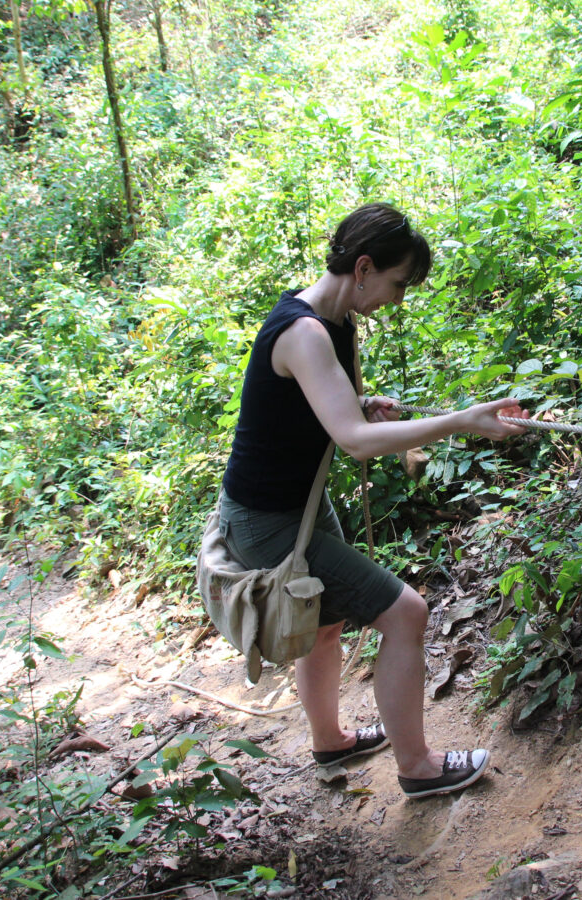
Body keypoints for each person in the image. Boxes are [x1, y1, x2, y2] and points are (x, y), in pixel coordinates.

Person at [218, 202, 527, 799]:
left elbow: (333, 415)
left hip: (295, 502)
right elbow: (356, 445)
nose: (397, 299)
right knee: (407, 613)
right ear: (363, 268)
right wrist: (459, 421)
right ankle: (419, 767)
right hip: (267, 521)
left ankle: (331, 740)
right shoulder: (304, 332)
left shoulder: (333, 323)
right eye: (397, 283)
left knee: (327, 621)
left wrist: (360, 404)